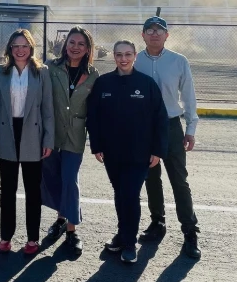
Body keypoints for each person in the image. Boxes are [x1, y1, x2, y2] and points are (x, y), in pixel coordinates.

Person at [86, 40, 168, 265]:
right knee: (120, 193)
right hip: (112, 154)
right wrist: (97, 145)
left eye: (128, 54)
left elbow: (160, 120)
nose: (124, 58)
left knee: (130, 195)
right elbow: (94, 118)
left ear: (134, 56)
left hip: (139, 154)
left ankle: (129, 244)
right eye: (119, 54)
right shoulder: (104, 83)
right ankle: (122, 234)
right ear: (114, 56)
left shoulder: (147, 84)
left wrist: (157, 151)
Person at [133, 17, 201, 259]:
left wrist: (191, 128)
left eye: (159, 30)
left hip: (171, 126)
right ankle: (157, 222)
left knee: (179, 180)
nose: (154, 34)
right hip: (144, 129)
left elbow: (189, 95)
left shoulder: (178, 61)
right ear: (142, 35)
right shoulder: (135, 59)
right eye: (149, 30)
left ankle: (190, 232)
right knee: (151, 178)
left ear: (167, 35)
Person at [0, 29, 54, 255]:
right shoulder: (0, 72)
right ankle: (6, 236)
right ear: (10, 49)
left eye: (24, 45)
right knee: (8, 190)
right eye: (16, 46)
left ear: (31, 47)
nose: (20, 50)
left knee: (33, 190)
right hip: (7, 133)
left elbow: (47, 109)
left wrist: (48, 139)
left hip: (33, 135)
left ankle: (33, 239)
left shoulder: (42, 72)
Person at [41, 26, 100, 256]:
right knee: (53, 179)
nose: (75, 47)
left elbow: (96, 111)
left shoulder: (94, 75)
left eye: (81, 44)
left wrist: (98, 142)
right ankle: (61, 219)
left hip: (75, 136)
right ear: (65, 45)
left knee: (70, 179)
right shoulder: (50, 67)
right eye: (72, 42)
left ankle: (72, 231)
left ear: (87, 49)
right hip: (50, 134)